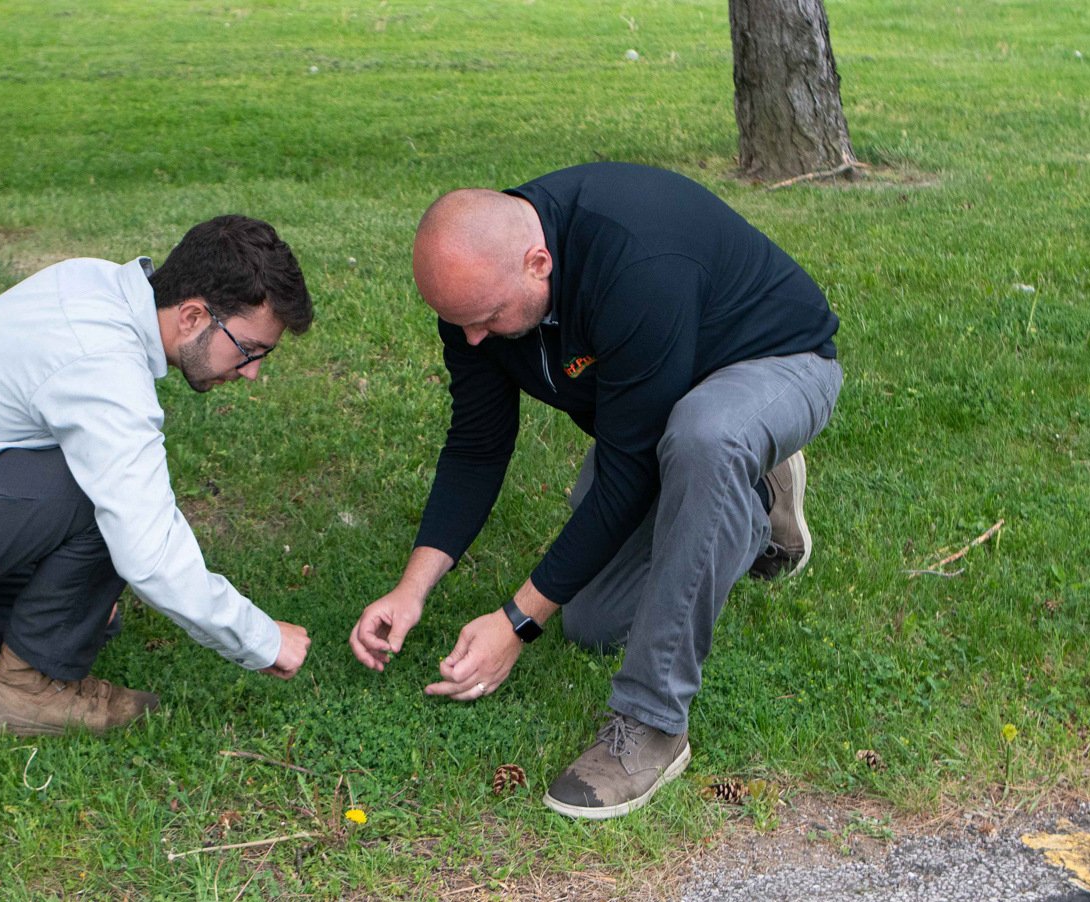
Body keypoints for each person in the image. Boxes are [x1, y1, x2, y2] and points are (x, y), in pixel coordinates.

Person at [349, 163, 842, 819]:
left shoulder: (635, 260)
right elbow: (477, 446)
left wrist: (517, 622)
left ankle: (653, 724)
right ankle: (750, 503)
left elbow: (627, 475)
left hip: (774, 364)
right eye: (457, 322)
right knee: (593, 620)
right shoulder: (474, 298)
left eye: (486, 319)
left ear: (539, 262)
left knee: (707, 439)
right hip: (658, 416)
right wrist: (411, 588)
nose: (471, 339)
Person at [0, 215, 314, 747]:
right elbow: (150, 553)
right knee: (105, 506)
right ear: (192, 316)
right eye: (251, 349)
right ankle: (28, 690)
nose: (252, 371)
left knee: (89, 613)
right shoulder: (103, 367)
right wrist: (261, 638)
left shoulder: (93, 282)